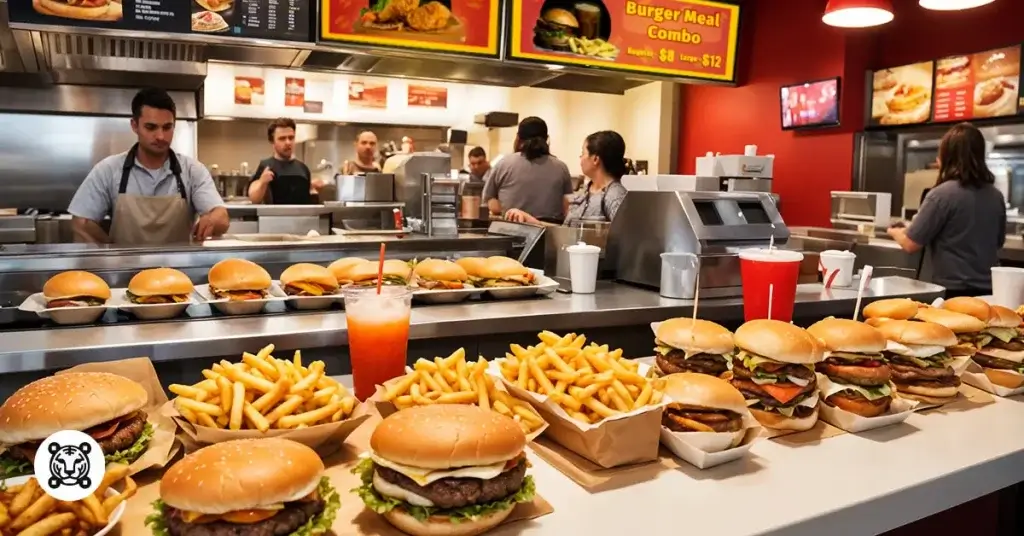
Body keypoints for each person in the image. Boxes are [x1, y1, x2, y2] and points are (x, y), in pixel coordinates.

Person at [68, 88, 229, 245]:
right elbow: (81, 223)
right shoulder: (108, 170)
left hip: (177, 270)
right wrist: (112, 252)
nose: (160, 136)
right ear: (134, 125)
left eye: (167, 127)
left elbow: (222, 217)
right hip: (126, 269)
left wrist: (211, 220)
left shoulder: (193, 171)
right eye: (151, 127)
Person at [887, 122, 1005, 297]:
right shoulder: (996, 196)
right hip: (989, 291)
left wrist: (894, 231)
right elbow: (999, 242)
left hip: (952, 292)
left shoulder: (941, 194)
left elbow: (911, 243)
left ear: (946, 156)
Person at [504, 131, 628, 226]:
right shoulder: (586, 192)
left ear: (595, 159)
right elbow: (564, 233)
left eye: (583, 153)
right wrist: (528, 219)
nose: (580, 158)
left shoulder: (615, 195)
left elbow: (624, 237)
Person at [484, 117, 572, 223]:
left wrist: (507, 211)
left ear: (518, 138)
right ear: (547, 139)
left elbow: (489, 201)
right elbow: (567, 207)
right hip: (549, 234)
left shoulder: (504, 164)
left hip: (512, 231)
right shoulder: (561, 168)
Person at [247, 118, 323, 205]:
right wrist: (262, 182)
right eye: (282, 139)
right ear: (272, 141)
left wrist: (313, 188)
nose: (288, 142)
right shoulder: (266, 166)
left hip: (301, 217)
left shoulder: (303, 168)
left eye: (291, 138)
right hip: (274, 217)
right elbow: (254, 199)